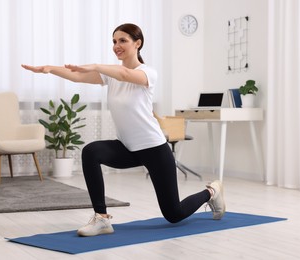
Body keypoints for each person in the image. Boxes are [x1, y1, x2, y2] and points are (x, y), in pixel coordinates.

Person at [22, 23, 226, 237]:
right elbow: (79, 76)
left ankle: (211, 192)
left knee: (173, 214)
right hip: (128, 148)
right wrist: (50, 69)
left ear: (137, 43)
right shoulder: (111, 75)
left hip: (154, 150)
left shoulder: (148, 73)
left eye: (122, 41)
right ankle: (101, 219)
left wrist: (95, 65)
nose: (116, 45)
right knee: (91, 151)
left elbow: (125, 74)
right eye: (114, 41)